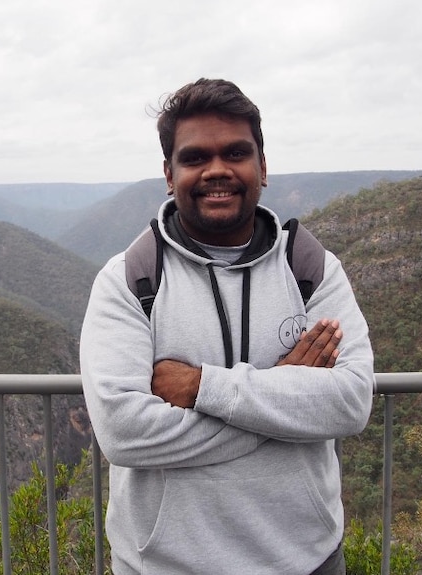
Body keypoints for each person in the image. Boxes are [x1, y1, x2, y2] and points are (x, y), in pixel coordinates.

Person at [80, 78, 374, 575]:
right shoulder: (131, 279)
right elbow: (124, 433)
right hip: (166, 565)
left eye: (236, 153)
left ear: (262, 165)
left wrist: (201, 386)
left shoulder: (311, 269)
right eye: (195, 158)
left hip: (306, 559)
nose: (217, 170)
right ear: (169, 174)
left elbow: (349, 402)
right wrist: (284, 398)